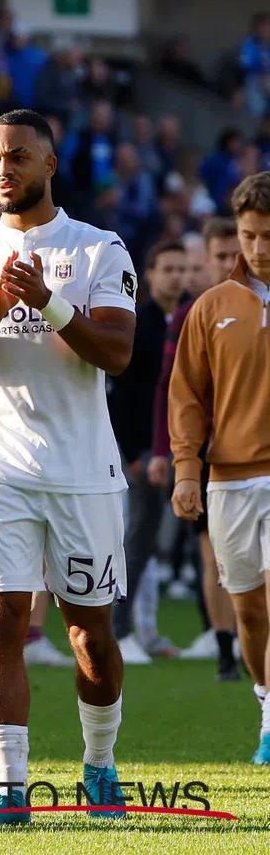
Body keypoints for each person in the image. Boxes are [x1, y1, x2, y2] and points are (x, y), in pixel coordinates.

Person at [0, 108, 138, 824]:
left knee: (90, 635)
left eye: (17, 156)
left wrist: (46, 302)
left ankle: (100, 763)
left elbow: (117, 353)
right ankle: (10, 790)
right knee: (2, 623)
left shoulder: (99, 248)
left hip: (84, 471)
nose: (3, 169)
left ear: (50, 164)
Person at [169, 172, 270, 763]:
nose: (259, 249)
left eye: (267, 236)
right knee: (251, 612)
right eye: (250, 236)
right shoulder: (209, 308)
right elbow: (186, 396)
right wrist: (186, 470)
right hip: (229, 481)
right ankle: (265, 701)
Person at [155, 215, 243, 677]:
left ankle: (250, 645)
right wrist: (169, 454)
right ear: (205, 260)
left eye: (238, 252)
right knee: (215, 557)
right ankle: (226, 646)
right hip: (210, 456)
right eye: (222, 255)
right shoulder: (195, 314)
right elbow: (172, 390)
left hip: (256, 453)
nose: (231, 263)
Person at [110, 237, 187, 662]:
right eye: (169, 269)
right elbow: (123, 396)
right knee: (137, 540)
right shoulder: (140, 324)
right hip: (144, 449)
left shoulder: (193, 316)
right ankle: (119, 633)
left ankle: (148, 631)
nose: (177, 276)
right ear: (150, 275)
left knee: (157, 540)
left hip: (185, 447)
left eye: (182, 269)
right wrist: (135, 452)